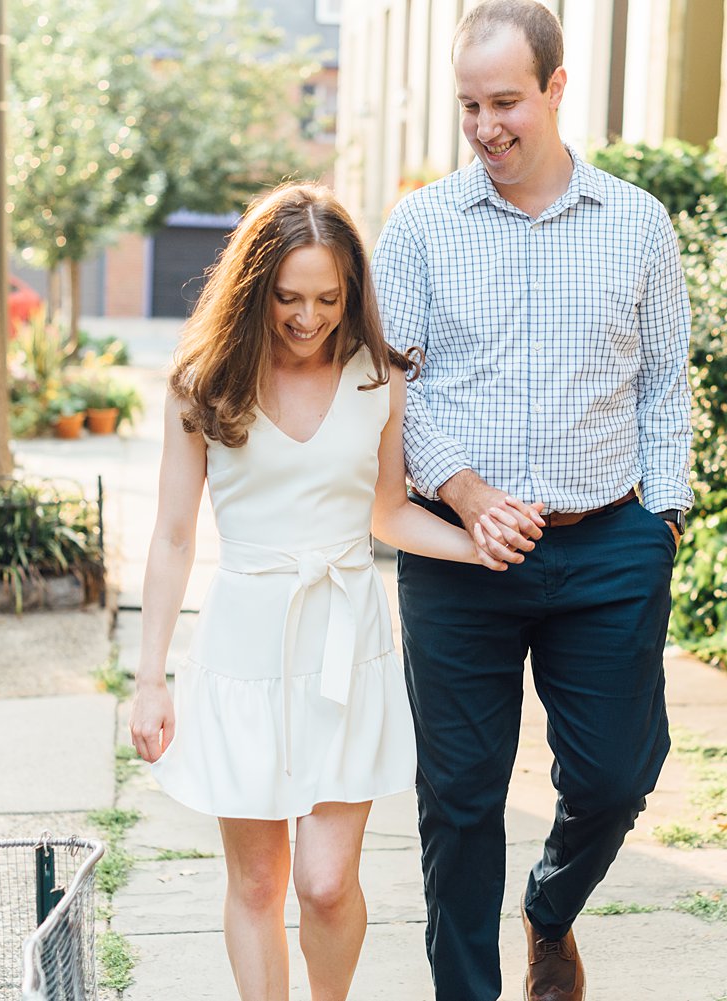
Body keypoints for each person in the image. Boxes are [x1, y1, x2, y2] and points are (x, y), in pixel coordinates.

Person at [128, 182, 531, 1001]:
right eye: (287, 298)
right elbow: (173, 536)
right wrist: (149, 676)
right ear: (254, 288)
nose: (307, 317)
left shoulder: (380, 377)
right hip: (244, 643)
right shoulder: (202, 383)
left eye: (326, 297)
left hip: (347, 645)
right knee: (256, 882)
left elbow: (387, 512)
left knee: (323, 881)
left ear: (351, 292)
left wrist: (479, 546)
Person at [369, 2, 694, 999]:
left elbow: (664, 389)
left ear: (556, 88)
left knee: (615, 777)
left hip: (607, 543)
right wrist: (463, 494)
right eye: (469, 105)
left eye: (505, 101)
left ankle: (549, 909)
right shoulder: (422, 225)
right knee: (459, 802)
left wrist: (661, 525)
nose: (486, 125)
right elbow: (392, 391)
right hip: (457, 560)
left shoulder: (637, 222)